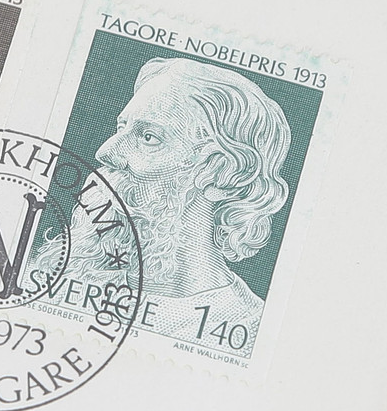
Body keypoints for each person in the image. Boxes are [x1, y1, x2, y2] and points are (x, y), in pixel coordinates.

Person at [57, 56, 291, 348]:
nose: (105, 152)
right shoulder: (71, 285)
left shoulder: (252, 332)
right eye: (121, 128)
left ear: (218, 172)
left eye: (148, 137)